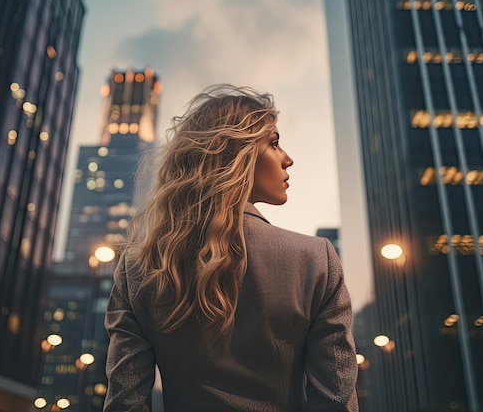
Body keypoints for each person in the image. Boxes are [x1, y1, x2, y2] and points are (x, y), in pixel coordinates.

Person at [104, 84, 359, 412]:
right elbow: (335, 403)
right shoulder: (316, 260)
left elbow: (126, 403)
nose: (288, 159)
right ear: (235, 153)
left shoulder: (138, 268)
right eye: (275, 143)